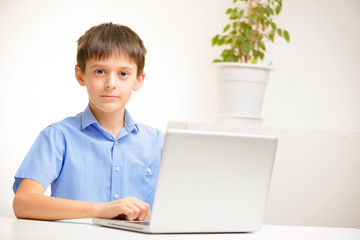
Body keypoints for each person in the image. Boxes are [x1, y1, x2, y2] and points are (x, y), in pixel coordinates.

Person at [12, 22, 164, 221]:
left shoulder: (158, 142)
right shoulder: (58, 136)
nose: (111, 84)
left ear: (138, 80)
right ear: (80, 74)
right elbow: (23, 203)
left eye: (123, 74)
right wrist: (100, 210)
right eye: (100, 71)